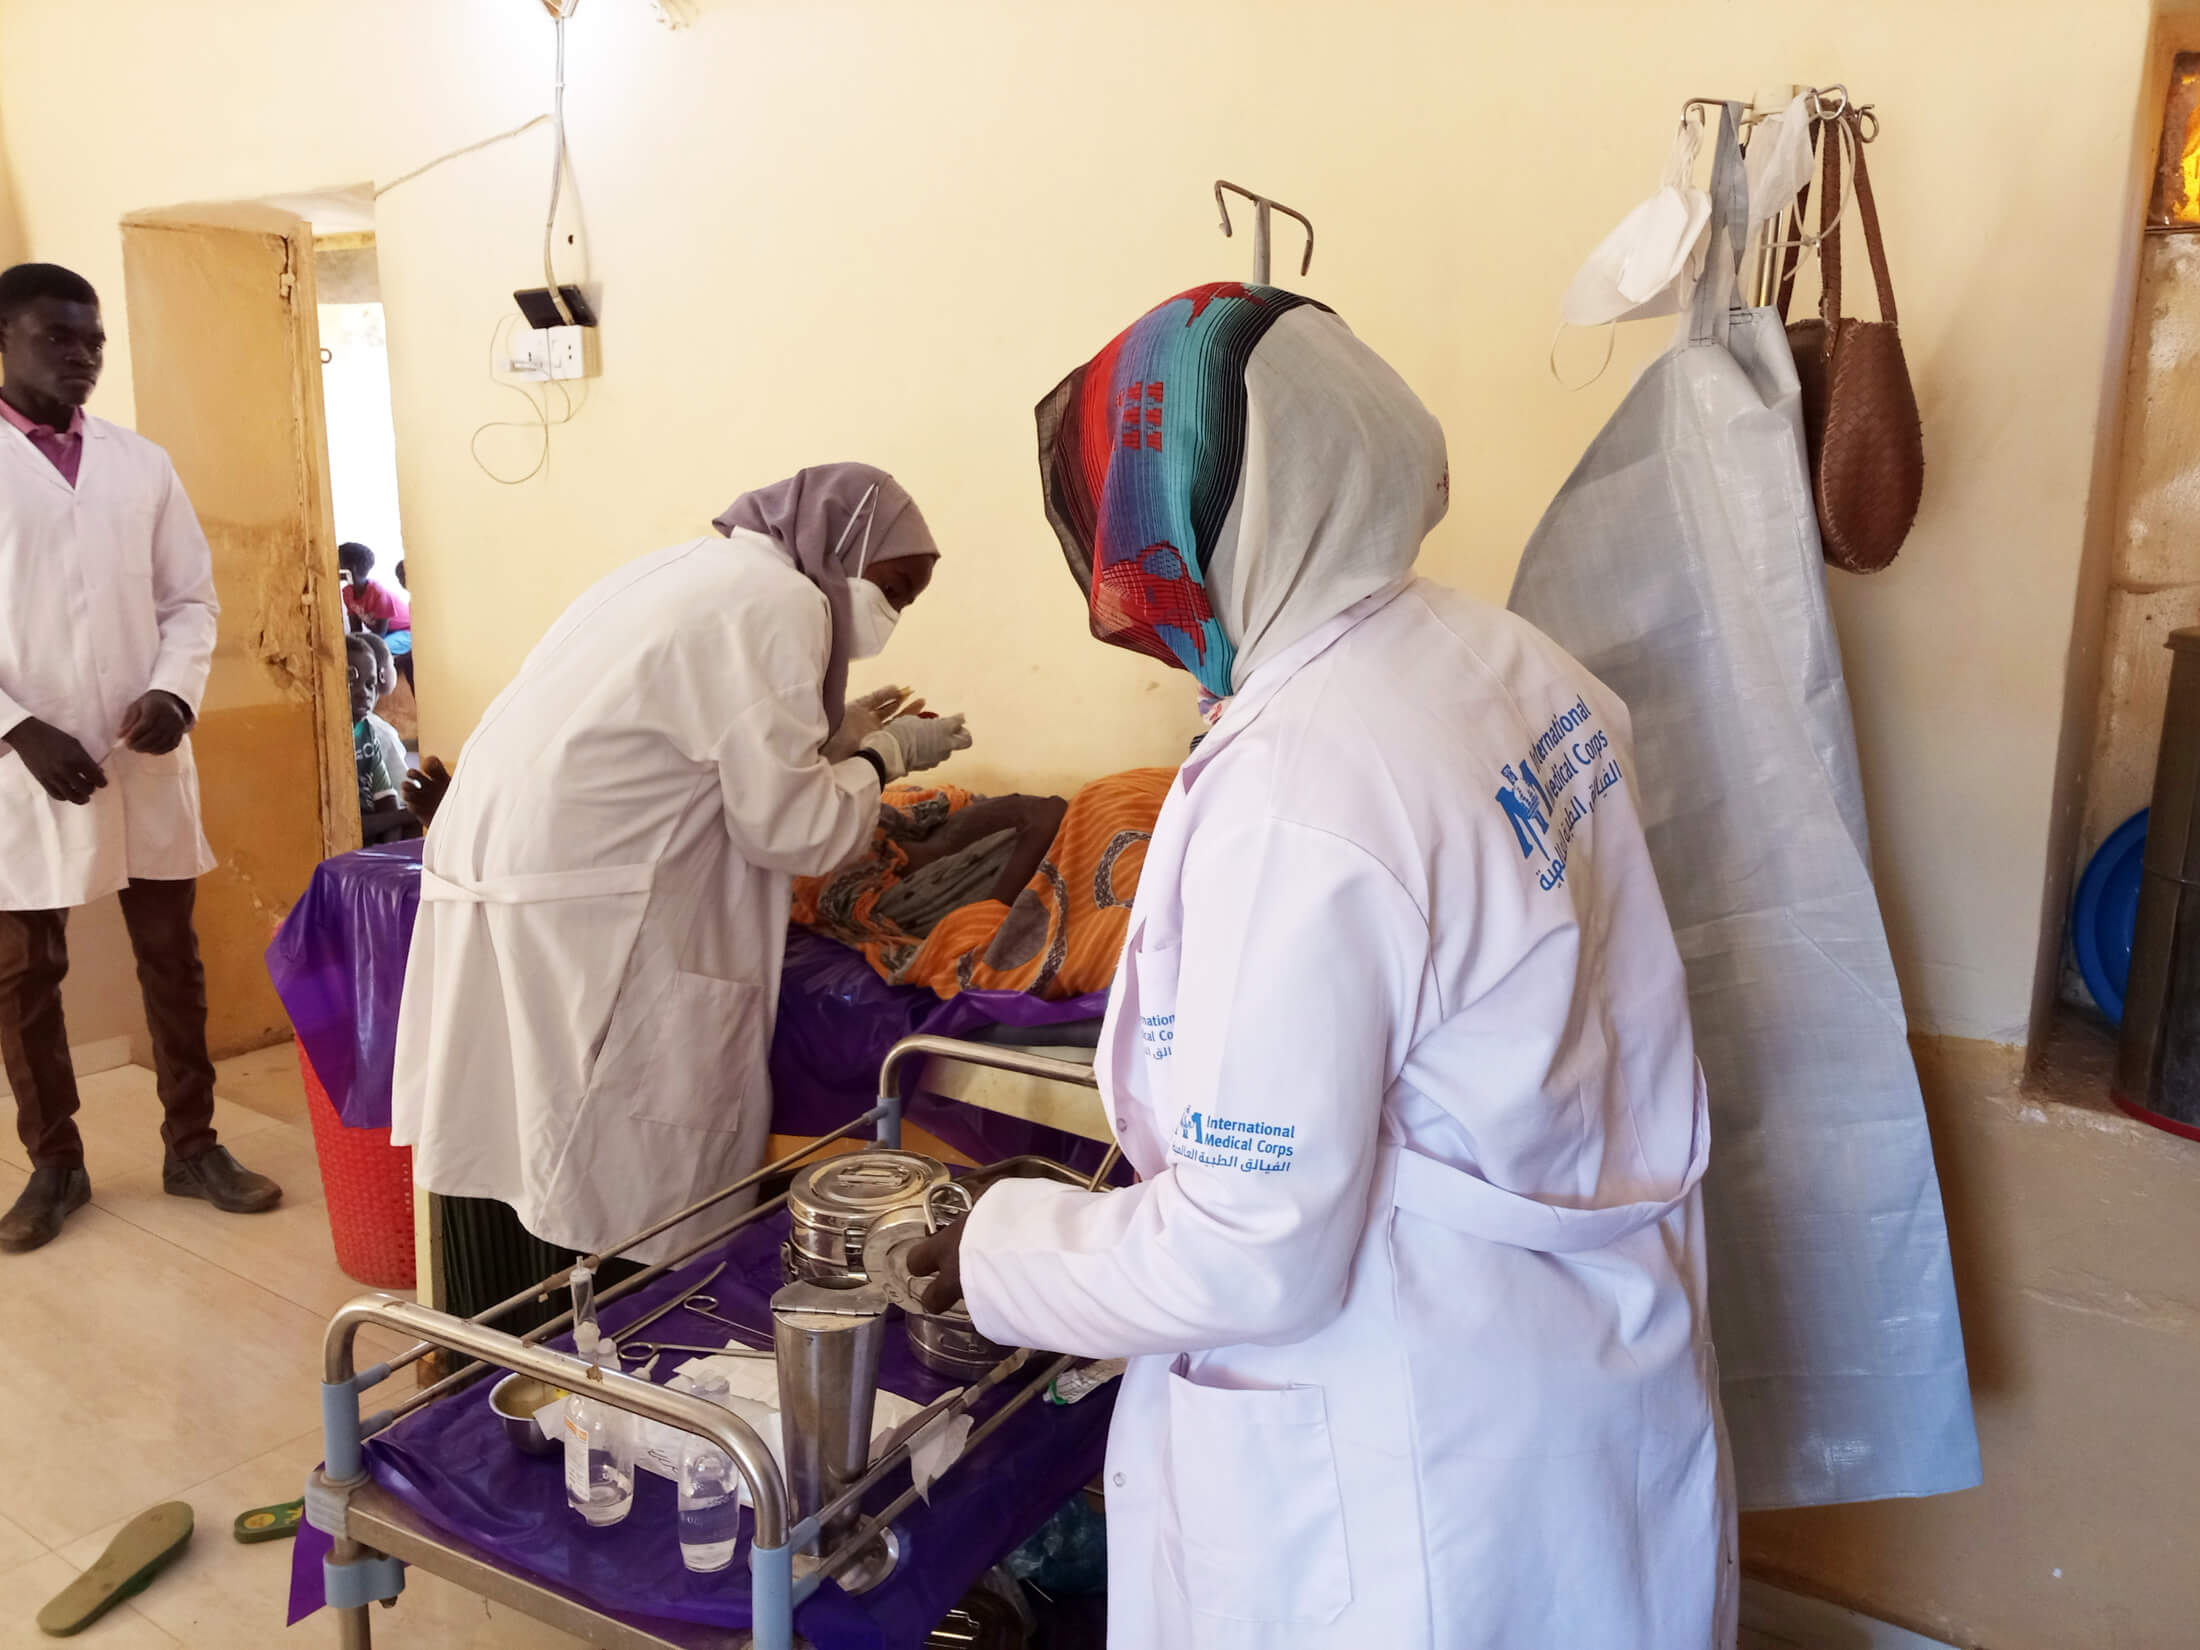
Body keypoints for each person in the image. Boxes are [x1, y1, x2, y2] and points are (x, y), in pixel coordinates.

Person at [908, 285, 1734, 1649]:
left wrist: (996, 1247)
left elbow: (1251, 1253)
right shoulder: (1502, 657)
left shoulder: (1307, 788)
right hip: (1581, 1365)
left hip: (1413, 1461)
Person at [391, 465, 970, 1262]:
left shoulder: (684, 571)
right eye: (895, 588)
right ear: (843, 548)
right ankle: (614, 1338)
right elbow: (793, 830)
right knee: (611, 1165)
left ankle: (527, 1327)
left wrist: (836, 739)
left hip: (517, 872)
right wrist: (884, 759)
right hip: (594, 900)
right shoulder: (783, 604)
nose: (893, 615)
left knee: (529, 1139)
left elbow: (707, 741)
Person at [0, 261, 282, 1253]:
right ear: (4, 340)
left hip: (140, 748)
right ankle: (55, 1164)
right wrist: (16, 728)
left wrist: (174, 690)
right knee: (25, 974)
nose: (81, 355)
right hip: (20, 766)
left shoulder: (141, 462)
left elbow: (190, 601)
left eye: (94, 340)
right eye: (57, 337)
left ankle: (192, 1144)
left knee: (173, 954)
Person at [346, 635, 408, 840]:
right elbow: (347, 826)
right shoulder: (331, 741)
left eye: (370, 684)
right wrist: (405, 815)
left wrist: (389, 856)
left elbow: (388, 801)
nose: (364, 693)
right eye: (352, 681)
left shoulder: (368, 732)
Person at [337, 540, 408, 635]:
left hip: (404, 631)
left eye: (338, 563)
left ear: (350, 569)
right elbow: (356, 631)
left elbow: (380, 634)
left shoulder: (379, 593)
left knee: (377, 648)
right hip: (384, 634)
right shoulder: (347, 593)